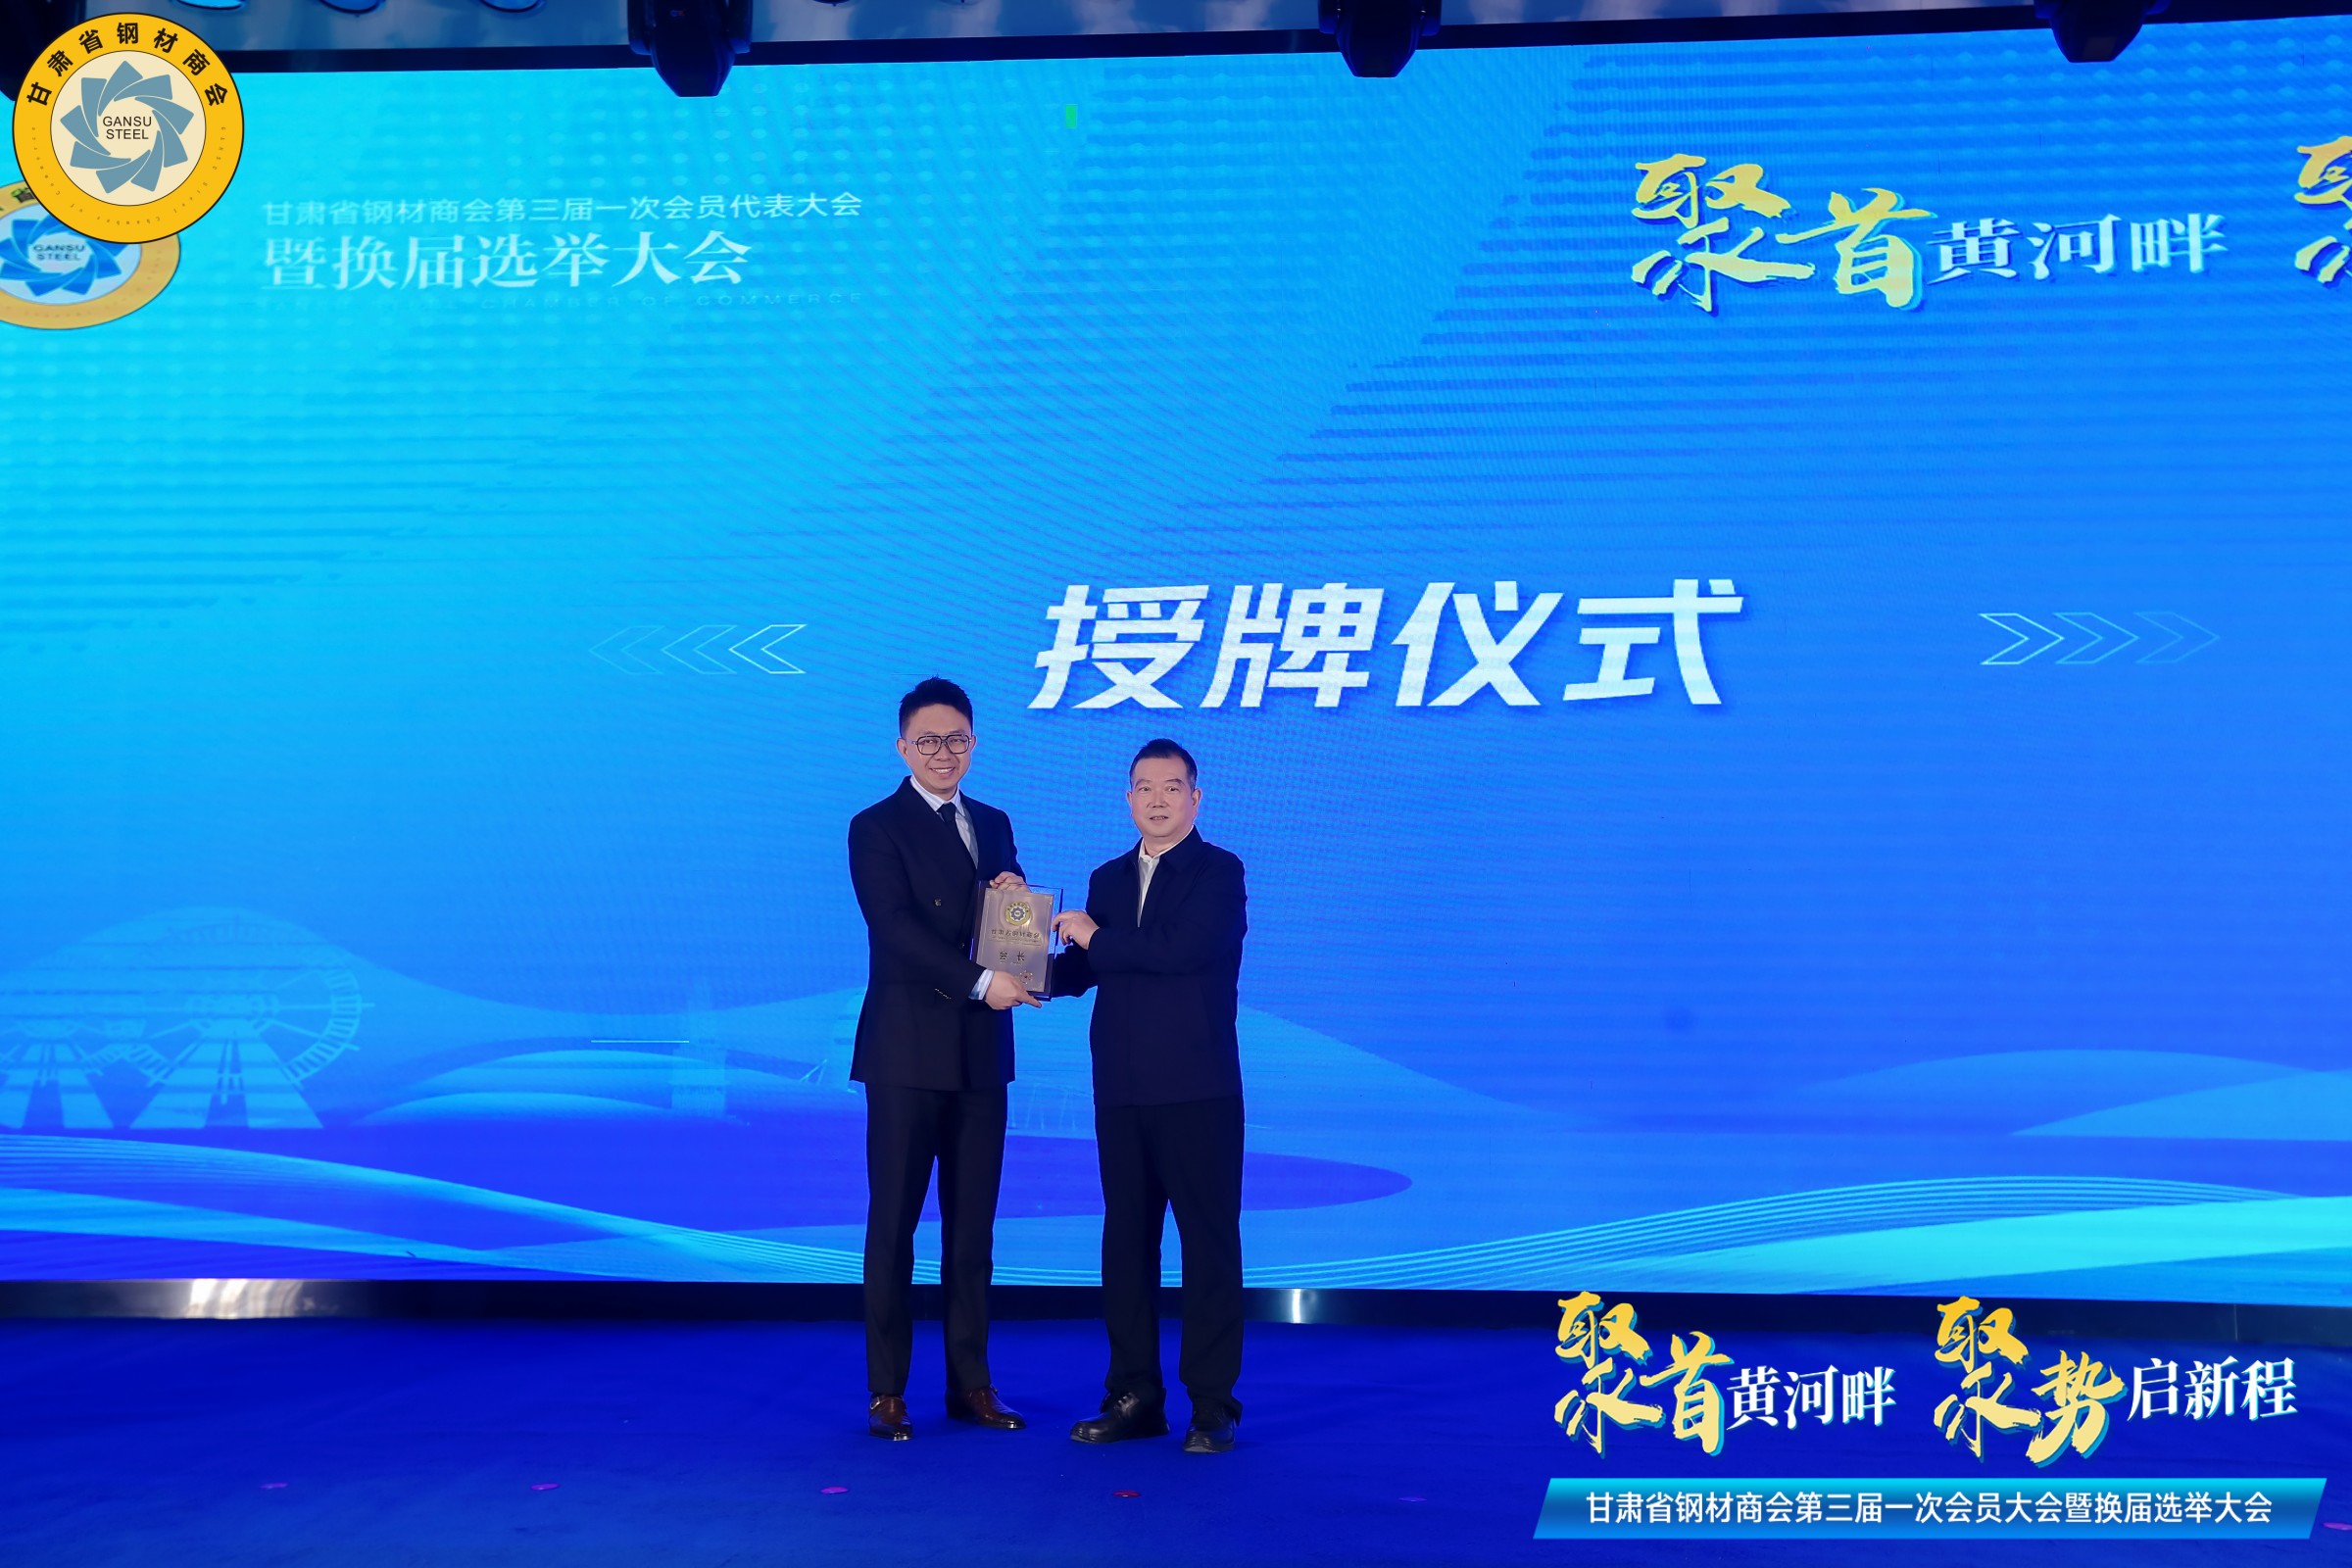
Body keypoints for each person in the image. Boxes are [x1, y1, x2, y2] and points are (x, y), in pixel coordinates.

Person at [847, 677, 1039, 1441]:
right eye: (928, 741)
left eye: (956, 740)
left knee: (973, 1230)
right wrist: (983, 981)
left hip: (981, 1052)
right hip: (905, 1051)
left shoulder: (993, 821)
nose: (943, 753)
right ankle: (887, 1392)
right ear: (903, 747)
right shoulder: (874, 826)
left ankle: (972, 1384)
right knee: (893, 1224)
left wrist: (1014, 902)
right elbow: (895, 929)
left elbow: (1006, 922)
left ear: (974, 744)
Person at [1050, 738, 1250, 1454]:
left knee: (1208, 1245)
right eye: (1144, 787)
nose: (1157, 799)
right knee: (1126, 1244)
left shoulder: (1219, 871)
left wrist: (1094, 937)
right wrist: (1014, 967)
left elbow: (1179, 952)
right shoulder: (1106, 878)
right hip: (1122, 1088)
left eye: (1172, 787)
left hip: (1198, 1089)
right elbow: (1084, 969)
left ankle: (1212, 1404)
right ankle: (1134, 1395)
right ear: (1128, 798)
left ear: (1196, 797)